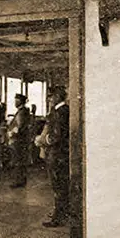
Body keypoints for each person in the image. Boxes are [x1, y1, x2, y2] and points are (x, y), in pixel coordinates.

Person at [41, 86, 70, 227]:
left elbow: (56, 136)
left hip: (56, 153)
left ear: (58, 96)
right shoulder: (66, 110)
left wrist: (42, 140)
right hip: (62, 154)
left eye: (51, 96)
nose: (49, 99)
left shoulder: (59, 112)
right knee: (62, 185)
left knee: (57, 185)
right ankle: (61, 212)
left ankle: (58, 217)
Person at [7, 93, 31, 188]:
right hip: (20, 140)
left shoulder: (22, 112)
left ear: (20, 101)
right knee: (19, 160)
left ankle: (18, 181)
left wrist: (11, 132)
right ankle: (21, 180)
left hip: (18, 140)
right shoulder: (22, 111)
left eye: (16, 100)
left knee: (17, 161)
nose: (15, 102)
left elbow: (20, 127)